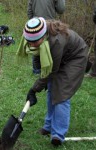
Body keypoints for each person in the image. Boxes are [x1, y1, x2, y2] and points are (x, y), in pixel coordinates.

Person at [19, 17, 88, 146]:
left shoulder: (56, 41)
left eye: (35, 41)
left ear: (44, 35)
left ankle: (58, 134)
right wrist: (41, 80)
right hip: (61, 58)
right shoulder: (34, 38)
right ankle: (48, 126)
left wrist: (34, 89)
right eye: (30, 42)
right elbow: (38, 56)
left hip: (75, 57)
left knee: (61, 94)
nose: (32, 44)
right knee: (51, 89)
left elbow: (51, 71)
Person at [27, 0, 65, 74]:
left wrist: (32, 22)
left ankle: (36, 70)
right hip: (50, 24)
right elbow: (61, 9)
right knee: (51, 47)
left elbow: (29, 9)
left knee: (36, 45)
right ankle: (49, 69)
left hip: (36, 22)